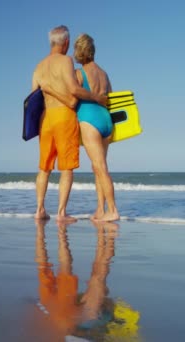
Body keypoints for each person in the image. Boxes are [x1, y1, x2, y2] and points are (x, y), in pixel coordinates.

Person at [31, 25, 108, 222]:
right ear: (65, 43)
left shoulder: (38, 66)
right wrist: (95, 98)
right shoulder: (66, 61)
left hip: (44, 119)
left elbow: (34, 98)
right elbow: (73, 89)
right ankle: (62, 213)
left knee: (44, 168)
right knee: (66, 167)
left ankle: (39, 209)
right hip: (64, 116)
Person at [73, 34, 120, 221]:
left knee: (100, 167)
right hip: (106, 120)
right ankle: (101, 209)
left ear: (79, 51)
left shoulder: (78, 73)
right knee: (99, 168)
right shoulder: (104, 74)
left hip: (89, 119)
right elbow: (111, 97)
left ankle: (113, 210)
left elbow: (73, 94)